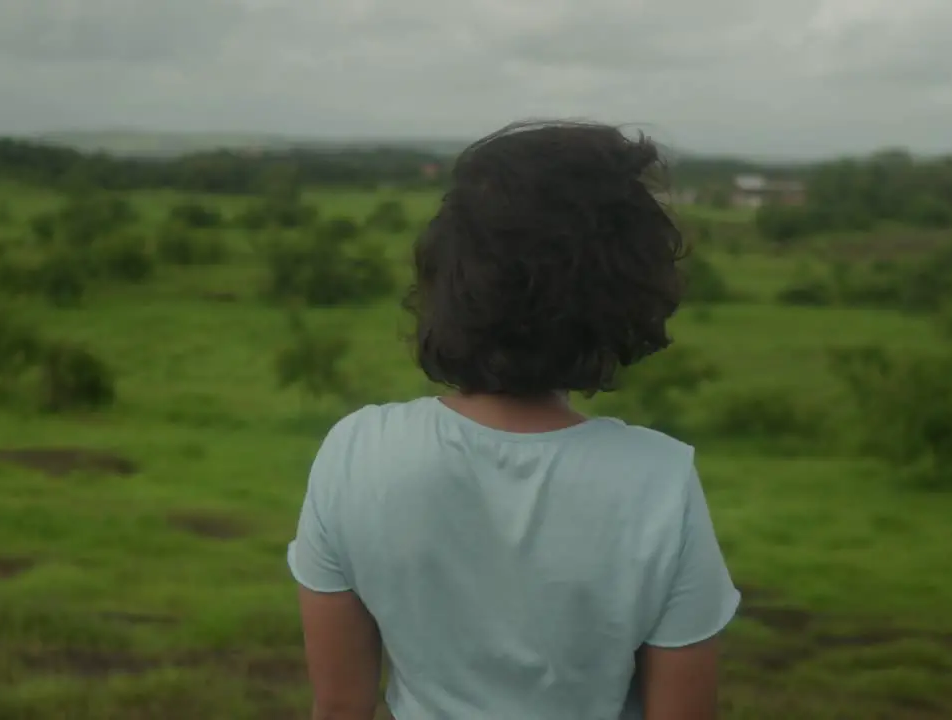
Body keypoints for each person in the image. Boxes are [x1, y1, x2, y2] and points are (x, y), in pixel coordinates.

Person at [287, 120, 742, 720]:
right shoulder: (659, 481)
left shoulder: (355, 453)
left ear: (449, 274)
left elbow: (342, 707)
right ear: (622, 291)